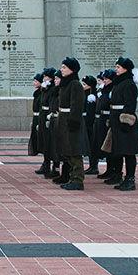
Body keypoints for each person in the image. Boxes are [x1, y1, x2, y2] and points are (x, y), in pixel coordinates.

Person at [108, 57, 138, 191]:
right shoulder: (119, 83)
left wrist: (126, 120)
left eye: (118, 67)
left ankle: (130, 178)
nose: (116, 69)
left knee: (129, 151)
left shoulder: (128, 84)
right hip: (116, 120)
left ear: (126, 68)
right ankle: (118, 174)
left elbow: (130, 105)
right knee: (118, 150)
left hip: (124, 122)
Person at [56, 57, 87, 191]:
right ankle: (71, 177)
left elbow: (77, 105)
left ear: (72, 70)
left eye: (64, 67)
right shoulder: (66, 84)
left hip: (71, 121)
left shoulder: (75, 84)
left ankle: (78, 179)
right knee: (67, 150)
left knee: (74, 151)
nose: (62, 69)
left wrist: (73, 121)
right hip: (64, 120)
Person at [95, 69, 116, 181]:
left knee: (110, 146)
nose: (104, 81)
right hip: (102, 119)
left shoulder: (111, 90)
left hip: (108, 118)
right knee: (104, 146)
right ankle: (109, 169)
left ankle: (113, 170)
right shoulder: (105, 90)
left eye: (107, 79)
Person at [82, 75, 99, 175]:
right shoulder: (85, 94)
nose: (83, 86)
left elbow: (91, 111)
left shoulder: (92, 95)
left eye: (85, 84)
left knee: (92, 144)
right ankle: (91, 165)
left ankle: (94, 166)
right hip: (85, 121)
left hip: (90, 122)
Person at [28, 71, 44, 173]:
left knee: (43, 142)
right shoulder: (38, 93)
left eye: (36, 81)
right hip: (36, 118)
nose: (34, 83)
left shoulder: (43, 93)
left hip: (40, 118)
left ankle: (47, 164)